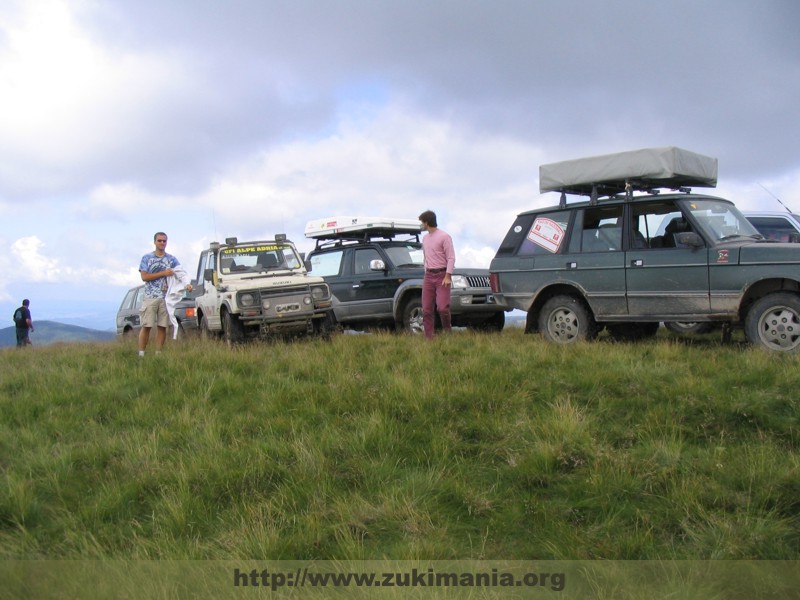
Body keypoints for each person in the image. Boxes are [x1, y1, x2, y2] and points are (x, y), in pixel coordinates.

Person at [138, 232, 191, 356]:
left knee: (162, 326)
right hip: (150, 297)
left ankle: (158, 353)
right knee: (147, 326)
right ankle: (141, 354)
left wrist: (187, 284)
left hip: (166, 297)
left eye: (164, 241)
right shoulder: (147, 258)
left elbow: (181, 273)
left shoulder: (171, 259)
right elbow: (144, 277)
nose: (162, 243)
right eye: (159, 240)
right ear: (155, 242)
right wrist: (163, 273)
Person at [419, 210, 455, 340]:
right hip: (428, 276)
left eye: (422, 222)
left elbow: (451, 258)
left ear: (427, 222)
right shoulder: (425, 239)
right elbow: (425, 257)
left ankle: (447, 331)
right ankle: (429, 337)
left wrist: (448, 275)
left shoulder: (444, 236)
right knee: (427, 309)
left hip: (442, 275)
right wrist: (426, 271)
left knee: (442, 307)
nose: (421, 225)